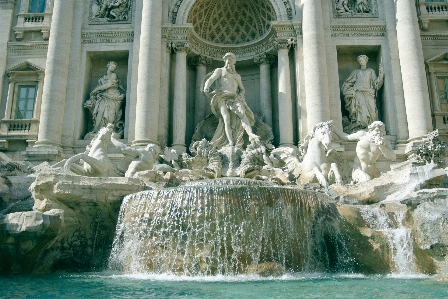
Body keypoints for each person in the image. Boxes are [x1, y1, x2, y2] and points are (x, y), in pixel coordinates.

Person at [202, 52, 259, 149]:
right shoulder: (220, 71)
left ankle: (251, 135)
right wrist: (206, 87)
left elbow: (242, 89)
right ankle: (231, 142)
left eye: (231, 59)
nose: (229, 61)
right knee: (226, 118)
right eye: (228, 59)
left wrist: (240, 95)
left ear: (234, 62)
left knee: (242, 114)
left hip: (234, 97)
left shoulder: (237, 76)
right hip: (222, 97)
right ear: (225, 60)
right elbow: (211, 79)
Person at [342, 55, 384, 133]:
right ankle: (360, 126)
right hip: (358, 92)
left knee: (372, 109)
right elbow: (348, 83)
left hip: (369, 93)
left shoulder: (371, 71)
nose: (361, 62)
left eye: (362, 60)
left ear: (366, 61)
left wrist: (381, 73)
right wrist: (348, 90)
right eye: (360, 61)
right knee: (360, 109)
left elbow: (376, 84)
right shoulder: (356, 72)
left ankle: (372, 127)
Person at [85, 61, 125, 134]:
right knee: (100, 111)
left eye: (114, 67)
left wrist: (96, 90)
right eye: (111, 66)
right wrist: (96, 92)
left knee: (110, 115)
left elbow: (107, 85)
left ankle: (108, 131)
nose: (112, 68)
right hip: (103, 96)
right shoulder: (102, 77)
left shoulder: (113, 75)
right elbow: (100, 86)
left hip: (113, 96)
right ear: (108, 66)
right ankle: (96, 129)